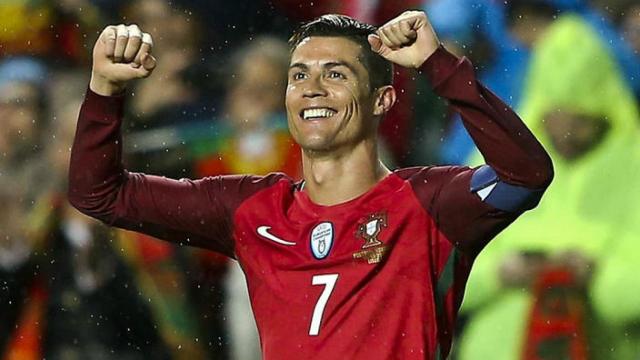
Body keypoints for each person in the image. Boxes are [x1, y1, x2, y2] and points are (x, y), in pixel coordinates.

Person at [68, 11, 553, 359]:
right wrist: (104, 90)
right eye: (299, 75)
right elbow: (99, 194)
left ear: (381, 100)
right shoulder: (252, 209)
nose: (312, 88)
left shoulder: (429, 203)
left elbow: (527, 174)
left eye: (335, 74)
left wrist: (438, 66)